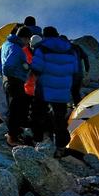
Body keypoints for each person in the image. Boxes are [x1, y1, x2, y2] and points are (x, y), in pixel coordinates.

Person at [31, 26, 79, 158]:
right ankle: (60, 147)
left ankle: (38, 140)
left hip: (44, 88)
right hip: (63, 89)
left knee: (38, 114)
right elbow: (75, 70)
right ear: (57, 34)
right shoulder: (70, 48)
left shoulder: (41, 48)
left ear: (44, 36)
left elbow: (36, 68)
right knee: (60, 118)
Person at [0, 26, 32, 147]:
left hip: (8, 80)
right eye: (28, 40)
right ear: (25, 38)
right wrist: (21, 69)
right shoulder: (16, 49)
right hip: (15, 80)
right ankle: (12, 137)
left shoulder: (6, 44)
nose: (28, 43)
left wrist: (3, 74)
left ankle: (15, 132)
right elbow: (9, 65)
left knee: (15, 106)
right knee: (16, 108)